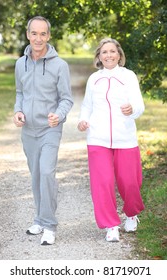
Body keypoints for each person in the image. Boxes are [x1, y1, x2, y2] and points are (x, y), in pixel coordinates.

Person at [13, 16, 73, 245]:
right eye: (34, 33)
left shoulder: (60, 65)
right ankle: (39, 218)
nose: (38, 38)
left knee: (47, 172)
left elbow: (66, 99)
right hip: (28, 129)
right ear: (28, 35)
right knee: (36, 175)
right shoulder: (21, 63)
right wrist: (18, 111)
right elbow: (20, 93)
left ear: (49, 36)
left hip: (50, 128)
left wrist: (59, 115)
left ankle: (49, 225)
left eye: (43, 34)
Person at [78, 38, 145, 242]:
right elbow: (87, 106)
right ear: (99, 56)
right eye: (104, 52)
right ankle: (111, 225)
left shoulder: (128, 76)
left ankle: (131, 214)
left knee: (129, 182)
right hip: (97, 138)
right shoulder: (94, 79)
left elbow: (139, 105)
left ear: (119, 55)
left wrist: (132, 109)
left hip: (125, 138)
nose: (108, 55)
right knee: (103, 182)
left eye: (112, 51)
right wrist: (83, 120)